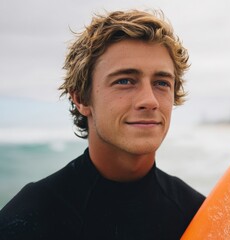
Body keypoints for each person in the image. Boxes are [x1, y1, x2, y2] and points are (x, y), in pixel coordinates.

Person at [0, 9, 205, 239]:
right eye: (125, 81)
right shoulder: (30, 219)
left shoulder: (196, 215)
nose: (150, 100)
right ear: (81, 98)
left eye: (161, 83)